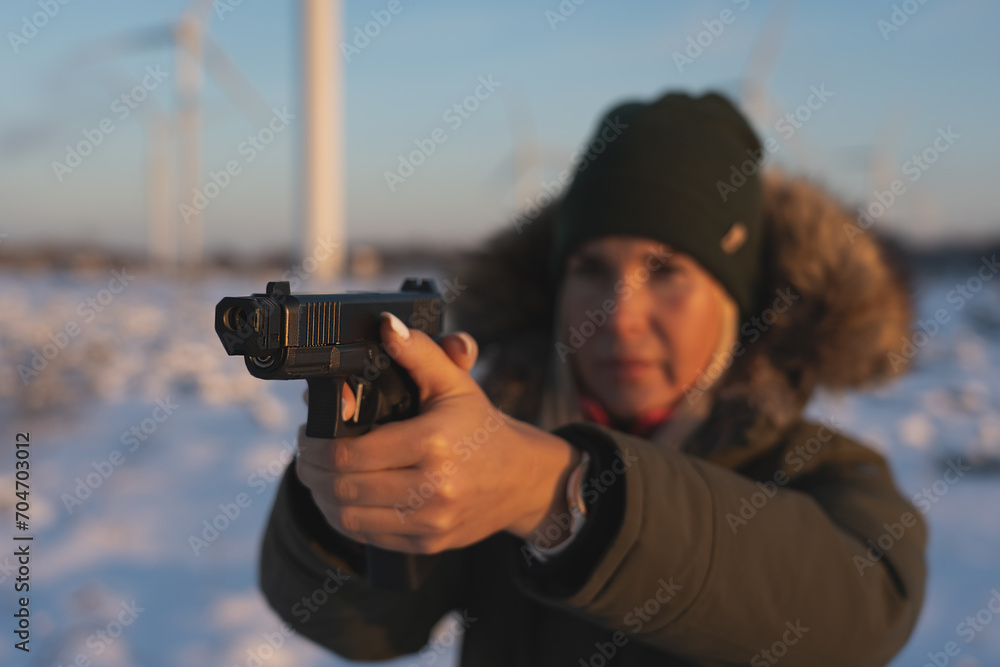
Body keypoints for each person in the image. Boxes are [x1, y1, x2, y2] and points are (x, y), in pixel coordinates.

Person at [259, 91, 927, 665]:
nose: (619, 314)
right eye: (590, 269)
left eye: (666, 270)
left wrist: (553, 491)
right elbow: (369, 623)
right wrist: (357, 506)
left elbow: (853, 613)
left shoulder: (824, 473)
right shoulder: (485, 439)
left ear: (737, 305)